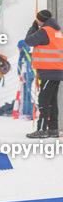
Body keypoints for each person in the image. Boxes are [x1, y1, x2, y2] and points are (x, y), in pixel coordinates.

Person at [25, 9, 63, 138]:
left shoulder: (44, 30)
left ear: (41, 19)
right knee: (52, 101)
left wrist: (33, 27)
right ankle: (53, 129)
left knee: (44, 100)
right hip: (57, 70)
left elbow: (29, 41)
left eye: (37, 19)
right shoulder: (57, 31)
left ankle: (41, 130)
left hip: (48, 70)